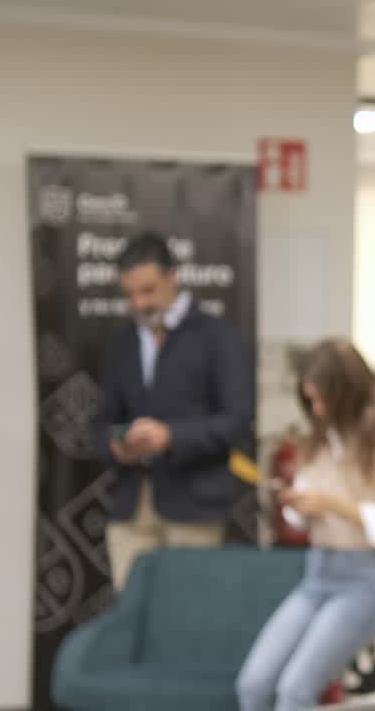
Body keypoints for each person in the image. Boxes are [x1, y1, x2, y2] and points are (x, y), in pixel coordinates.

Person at [236, 339, 375, 711]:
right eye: (311, 401)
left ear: (349, 395)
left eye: (323, 399)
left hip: (370, 583)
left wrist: (335, 505)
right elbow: (303, 514)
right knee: (254, 684)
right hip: (317, 577)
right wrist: (299, 508)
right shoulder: (321, 444)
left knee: (295, 691)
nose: (318, 410)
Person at [94, 233, 253, 590]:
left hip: (194, 506)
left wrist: (171, 437)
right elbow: (102, 422)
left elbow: (237, 419)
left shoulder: (216, 336)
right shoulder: (122, 342)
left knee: (187, 616)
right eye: (131, 294)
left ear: (172, 277)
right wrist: (117, 445)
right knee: (132, 618)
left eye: (148, 291)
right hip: (132, 506)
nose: (140, 302)